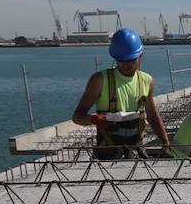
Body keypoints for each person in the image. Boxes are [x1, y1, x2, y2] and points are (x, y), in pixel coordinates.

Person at [72, 28, 172, 159]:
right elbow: (77, 117)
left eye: (131, 60)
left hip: (136, 152)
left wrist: (166, 143)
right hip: (108, 154)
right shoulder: (99, 80)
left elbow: (152, 116)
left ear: (141, 56)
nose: (126, 64)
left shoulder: (146, 81)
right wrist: (93, 119)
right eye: (121, 60)